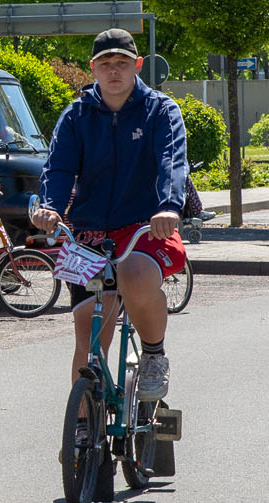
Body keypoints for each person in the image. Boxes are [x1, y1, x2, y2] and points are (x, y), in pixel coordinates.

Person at [30, 28, 188, 413]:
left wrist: (168, 207)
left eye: (121, 63)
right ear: (93, 68)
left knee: (134, 276)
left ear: (137, 65)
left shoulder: (160, 110)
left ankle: (152, 355)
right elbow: (60, 167)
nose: (113, 71)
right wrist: (50, 207)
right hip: (88, 231)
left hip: (144, 226)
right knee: (86, 329)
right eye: (105, 64)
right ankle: (83, 430)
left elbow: (172, 160)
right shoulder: (76, 115)